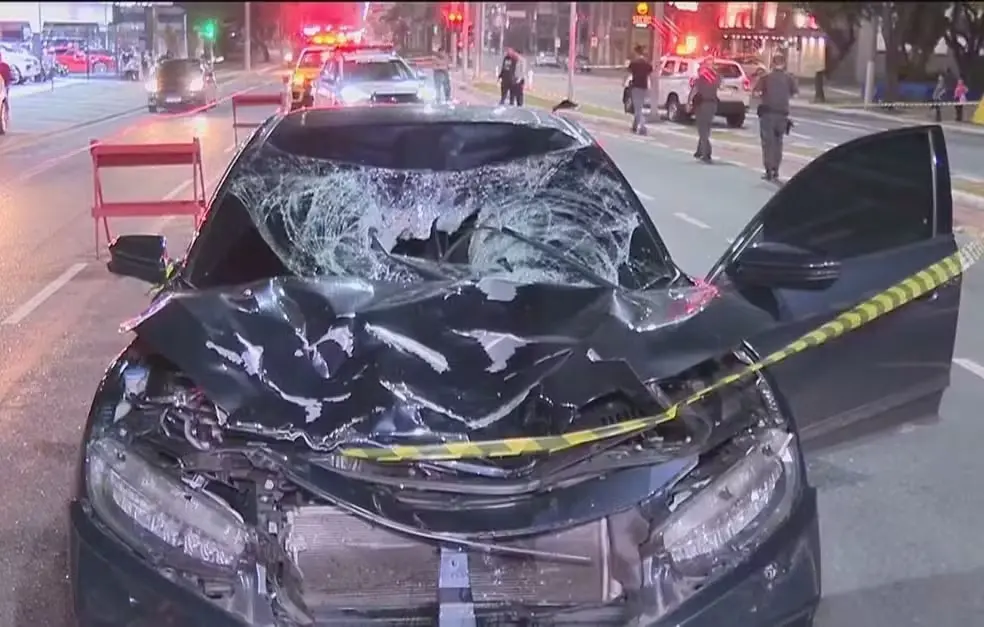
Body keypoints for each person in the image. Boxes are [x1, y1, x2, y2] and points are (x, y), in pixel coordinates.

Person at [753, 53, 798, 182]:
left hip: (768, 114)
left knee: (768, 143)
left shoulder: (766, 77)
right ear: (784, 64)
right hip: (782, 115)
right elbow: (794, 93)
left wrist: (763, 98)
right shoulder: (789, 78)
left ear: (772, 64)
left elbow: (756, 92)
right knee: (778, 142)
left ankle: (768, 170)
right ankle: (776, 169)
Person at [689, 56, 720, 163]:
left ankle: (707, 152)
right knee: (706, 128)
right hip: (712, 104)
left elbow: (694, 89)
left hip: (702, 104)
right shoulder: (716, 76)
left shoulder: (701, 76)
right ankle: (700, 150)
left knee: (702, 129)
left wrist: (689, 102)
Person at [626, 45, 653, 135]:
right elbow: (650, 71)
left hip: (636, 86)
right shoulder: (647, 63)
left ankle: (643, 127)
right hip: (644, 87)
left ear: (636, 53)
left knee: (638, 109)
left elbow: (629, 70)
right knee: (639, 106)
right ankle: (634, 126)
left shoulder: (634, 63)